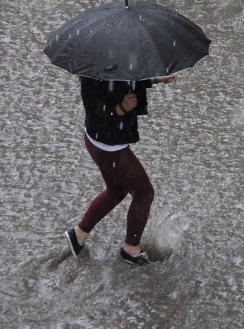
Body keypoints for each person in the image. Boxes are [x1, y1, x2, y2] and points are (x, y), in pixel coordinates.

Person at [64, 74, 176, 266]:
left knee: (116, 191)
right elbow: (95, 110)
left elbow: (125, 79)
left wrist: (155, 80)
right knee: (144, 193)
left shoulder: (114, 63)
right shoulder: (94, 73)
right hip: (108, 146)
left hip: (99, 141)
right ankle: (130, 249)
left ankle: (78, 234)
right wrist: (121, 108)